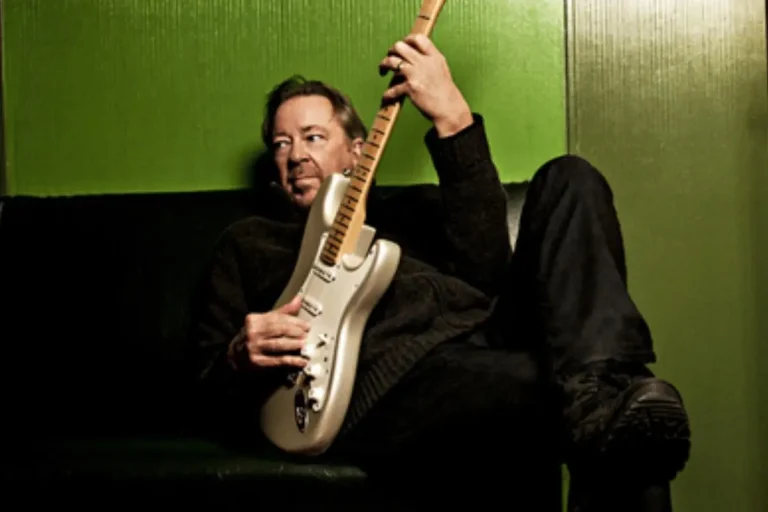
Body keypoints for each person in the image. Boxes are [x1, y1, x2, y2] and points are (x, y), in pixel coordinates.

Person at [191, 33, 691, 509]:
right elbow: (203, 387)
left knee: (571, 176)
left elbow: (490, 273)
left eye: (313, 137)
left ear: (358, 151)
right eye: (280, 144)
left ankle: (593, 394)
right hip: (392, 386)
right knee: (630, 402)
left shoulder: (414, 210)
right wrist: (240, 355)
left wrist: (453, 117)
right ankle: (600, 401)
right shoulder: (248, 243)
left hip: (490, 338)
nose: (296, 155)